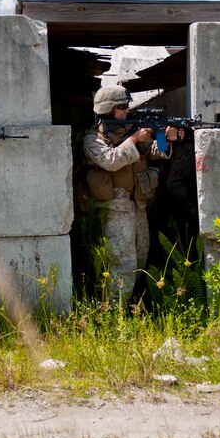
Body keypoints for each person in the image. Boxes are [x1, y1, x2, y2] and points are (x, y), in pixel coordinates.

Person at [82, 85, 177, 304]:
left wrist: (165, 137)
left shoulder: (128, 130)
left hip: (137, 206)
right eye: (122, 107)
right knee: (122, 263)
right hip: (115, 209)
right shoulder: (93, 138)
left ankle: (129, 306)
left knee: (140, 258)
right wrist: (134, 138)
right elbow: (110, 161)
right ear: (108, 110)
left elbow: (156, 152)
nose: (127, 111)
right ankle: (115, 313)